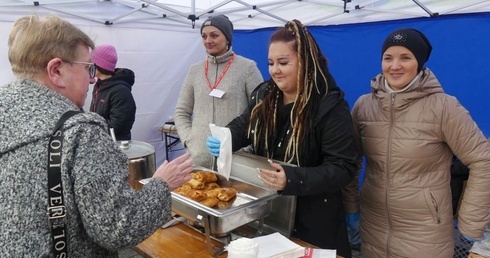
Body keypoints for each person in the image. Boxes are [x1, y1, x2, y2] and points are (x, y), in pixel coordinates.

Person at [0, 14, 193, 256]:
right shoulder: (81, 131)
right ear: (56, 70)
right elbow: (118, 228)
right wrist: (162, 184)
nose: (92, 79)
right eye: (87, 68)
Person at [206, 19, 360, 257]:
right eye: (270, 63)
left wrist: (292, 178)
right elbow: (244, 125)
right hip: (268, 210)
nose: (275, 70)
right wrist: (225, 136)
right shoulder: (266, 95)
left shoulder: (329, 106)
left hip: (313, 218)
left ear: (306, 62)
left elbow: (343, 167)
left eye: (283, 62)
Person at [351, 28, 490, 258]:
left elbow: (483, 159)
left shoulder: (444, 107)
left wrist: (471, 223)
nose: (395, 66)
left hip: (425, 235)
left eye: (405, 57)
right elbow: (350, 160)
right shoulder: (364, 106)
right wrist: (350, 207)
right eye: (388, 58)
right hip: (373, 227)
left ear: (419, 63)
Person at [174, 14, 263, 168]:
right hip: (199, 160)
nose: (208, 41)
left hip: (235, 160)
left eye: (214, 35)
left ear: (227, 38)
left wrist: (247, 146)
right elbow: (181, 111)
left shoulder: (247, 68)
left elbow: (261, 112)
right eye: (204, 36)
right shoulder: (195, 70)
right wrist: (190, 140)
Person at [90, 44, 136, 140]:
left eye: (91, 63)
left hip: (115, 146)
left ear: (99, 65)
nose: (88, 66)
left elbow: (116, 126)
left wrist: (91, 128)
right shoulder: (99, 86)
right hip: (100, 142)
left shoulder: (120, 91)